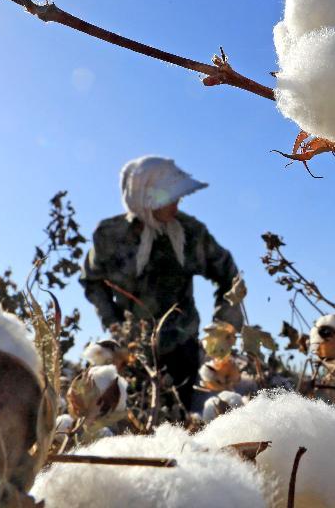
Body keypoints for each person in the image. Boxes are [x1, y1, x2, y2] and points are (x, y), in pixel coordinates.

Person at [79, 156, 244, 408]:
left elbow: (229, 276)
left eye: (178, 198)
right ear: (144, 197)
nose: (176, 206)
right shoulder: (110, 236)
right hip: (131, 351)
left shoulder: (191, 234)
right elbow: (92, 281)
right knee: (132, 417)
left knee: (183, 419)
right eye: (170, 198)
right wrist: (112, 322)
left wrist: (224, 328)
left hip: (182, 348)